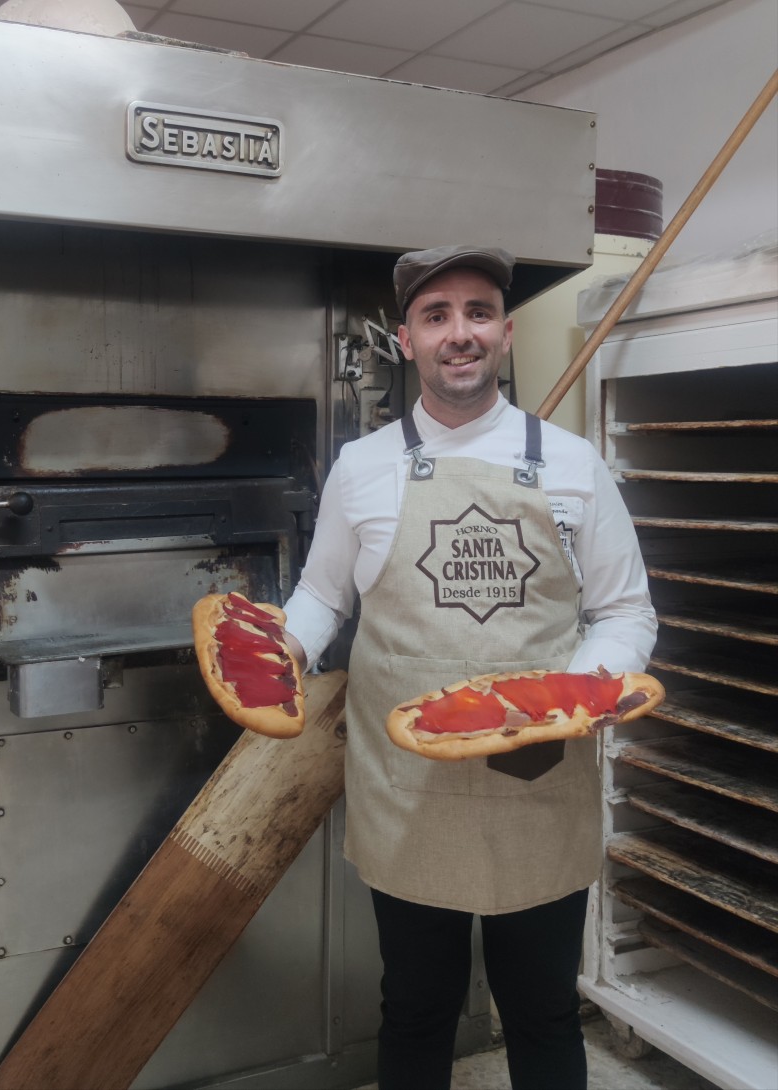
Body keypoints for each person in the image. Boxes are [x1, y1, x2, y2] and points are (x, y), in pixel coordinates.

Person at [281, 245, 657, 1090]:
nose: (461, 333)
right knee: (415, 1009)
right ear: (407, 340)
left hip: (539, 779)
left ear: (507, 334)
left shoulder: (573, 466)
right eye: (437, 315)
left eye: (479, 312)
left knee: (544, 1012)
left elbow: (626, 612)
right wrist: (286, 649)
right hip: (407, 789)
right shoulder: (362, 468)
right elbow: (320, 595)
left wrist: (576, 693)